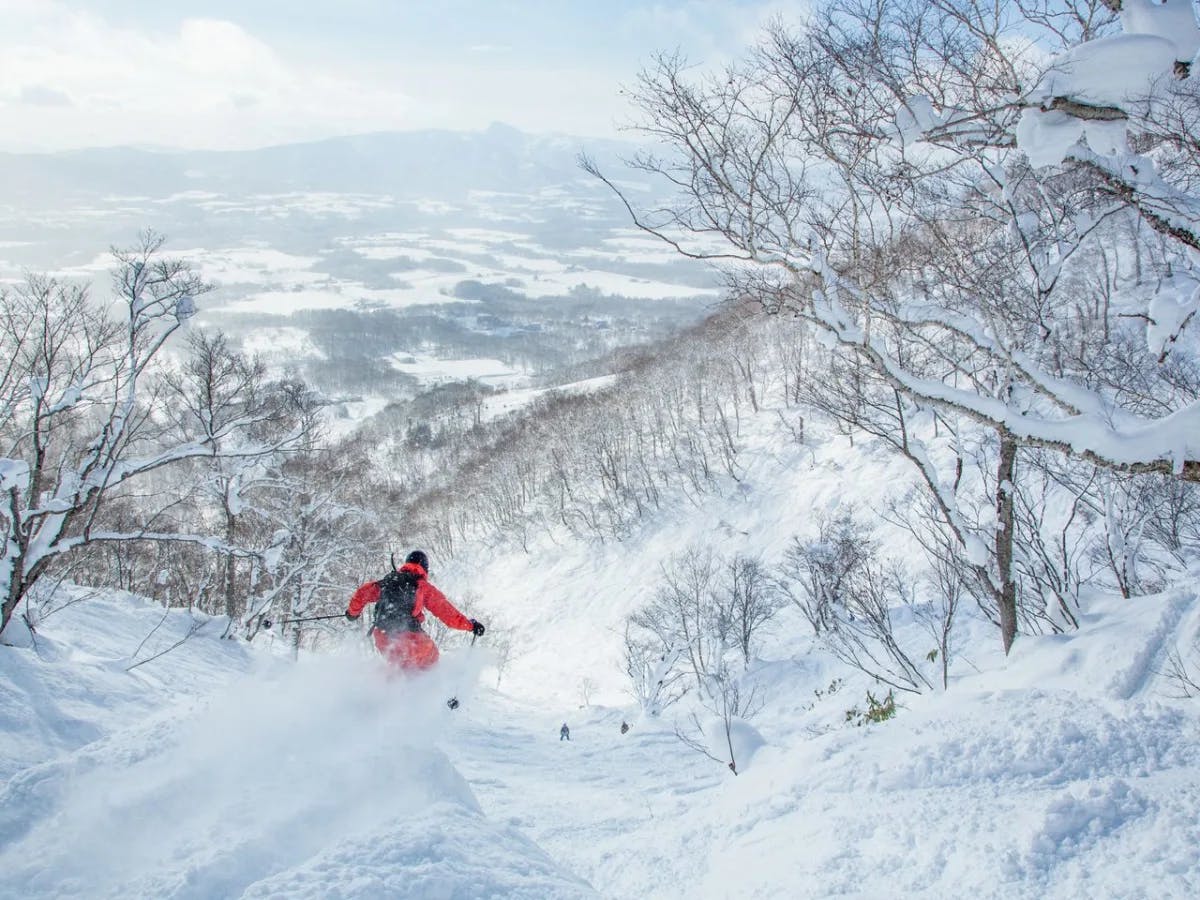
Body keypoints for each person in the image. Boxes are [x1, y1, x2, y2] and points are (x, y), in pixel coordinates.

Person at [345, 550, 484, 670]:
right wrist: (470, 625)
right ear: (425, 569)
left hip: (383, 637)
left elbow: (362, 593)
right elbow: (446, 612)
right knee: (431, 659)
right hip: (409, 639)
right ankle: (428, 695)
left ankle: (389, 693)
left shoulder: (387, 582)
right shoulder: (422, 587)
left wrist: (352, 614)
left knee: (398, 667)